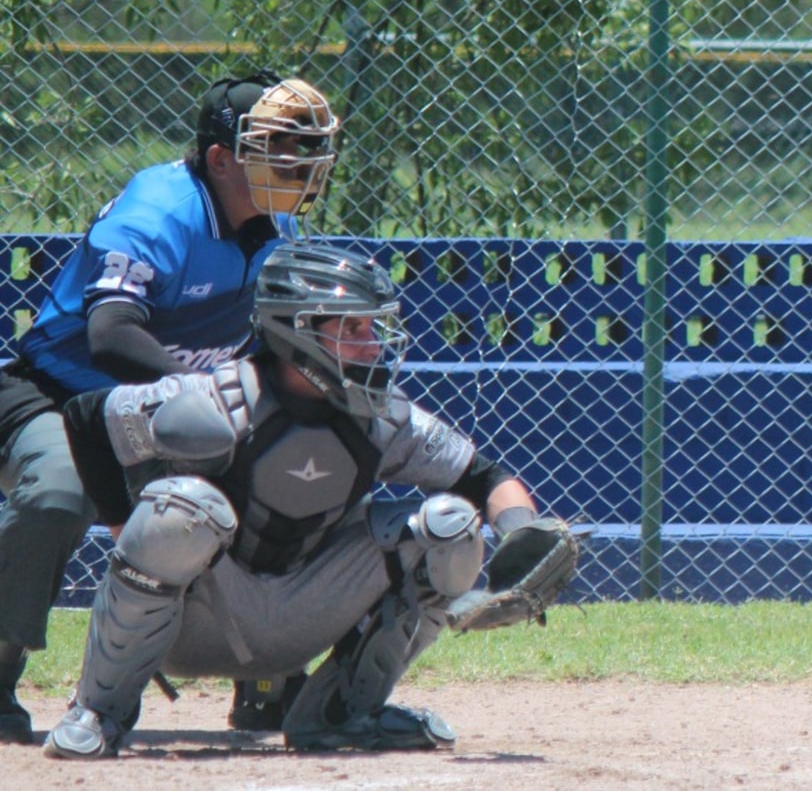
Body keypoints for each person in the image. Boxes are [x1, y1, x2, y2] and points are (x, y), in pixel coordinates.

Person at [43, 240, 572, 758]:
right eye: (353, 328)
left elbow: (483, 477)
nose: (372, 344)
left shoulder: (383, 417)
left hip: (306, 615)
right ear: (295, 331)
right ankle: (98, 710)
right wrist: (122, 524)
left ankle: (343, 713)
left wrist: (522, 534)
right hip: (192, 624)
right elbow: (88, 419)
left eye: (373, 327)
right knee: (181, 508)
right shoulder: (217, 398)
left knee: (453, 524)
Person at [0, 73, 339, 743]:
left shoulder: (278, 223)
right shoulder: (158, 211)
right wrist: (204, 400)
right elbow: (112, 336)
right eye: (281, 149)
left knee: (285, 468)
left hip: (173, 403)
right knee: (59, 495)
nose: (301, 166)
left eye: (307, 150)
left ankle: (268, 677)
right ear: (220, 159)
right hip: (62, 390)